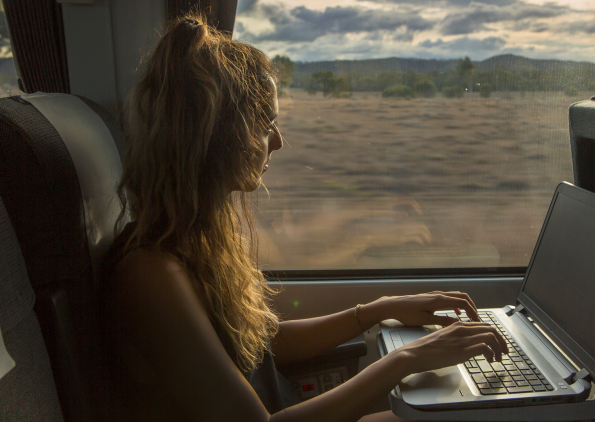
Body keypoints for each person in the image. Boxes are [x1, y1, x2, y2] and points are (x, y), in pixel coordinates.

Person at [102, 14, 508, 422]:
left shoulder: (195, 239)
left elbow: (257, 346)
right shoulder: (151, 274)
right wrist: (405, 359)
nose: (277, 142)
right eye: (266, 125)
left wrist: (377, 309)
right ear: (218, 135)